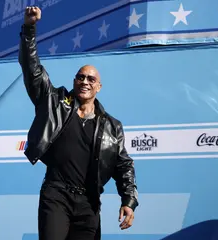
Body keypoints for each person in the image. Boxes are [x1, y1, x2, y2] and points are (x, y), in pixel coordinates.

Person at [18, 6, 139, 240]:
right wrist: (29, 28)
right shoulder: (54, 102)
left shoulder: (112, 127)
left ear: (98, 87)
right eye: (80, 77)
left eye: (91, 79)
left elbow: (124, 166)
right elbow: (31, 68)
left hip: (89, 202)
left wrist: (129, 200)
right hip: (56, 194)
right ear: (74, 81)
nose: (85, 81)